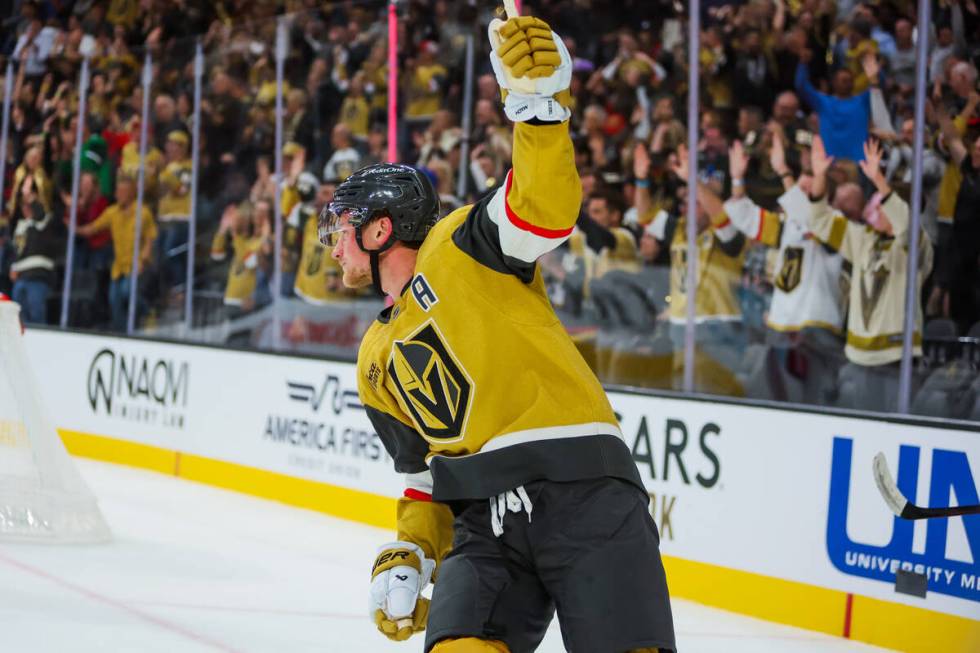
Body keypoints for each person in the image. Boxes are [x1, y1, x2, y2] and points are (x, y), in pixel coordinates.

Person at [320, 13, 675, 653]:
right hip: (484, 521)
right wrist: (411, 547)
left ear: (379, 230)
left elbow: (540, 212)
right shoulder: (373, 358)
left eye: (342, 227)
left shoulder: (461, 244)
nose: (333, 245)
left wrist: (537, 113)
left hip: (584, 492)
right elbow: (422, 473)